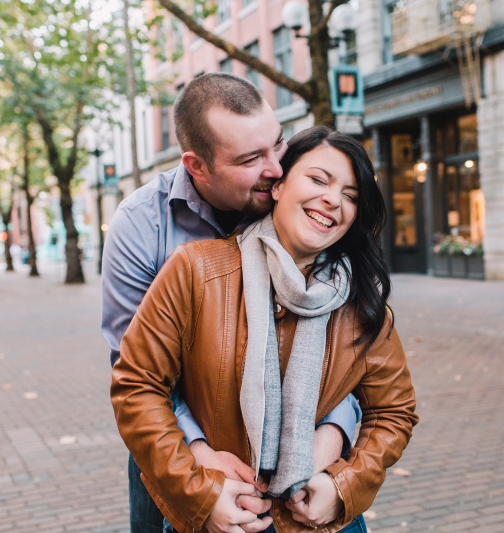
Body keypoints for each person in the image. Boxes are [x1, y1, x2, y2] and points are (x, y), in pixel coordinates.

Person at [112, 126, 418, 533]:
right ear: (277, 186)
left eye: (350, 196)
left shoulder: (360, 300)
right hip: (221, 516)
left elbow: (394, 410)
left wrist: (343, 485)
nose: (333, 199)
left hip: (318, 521)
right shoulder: (195, 270)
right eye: (318, 179)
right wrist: (200, 492)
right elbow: (137, 386)